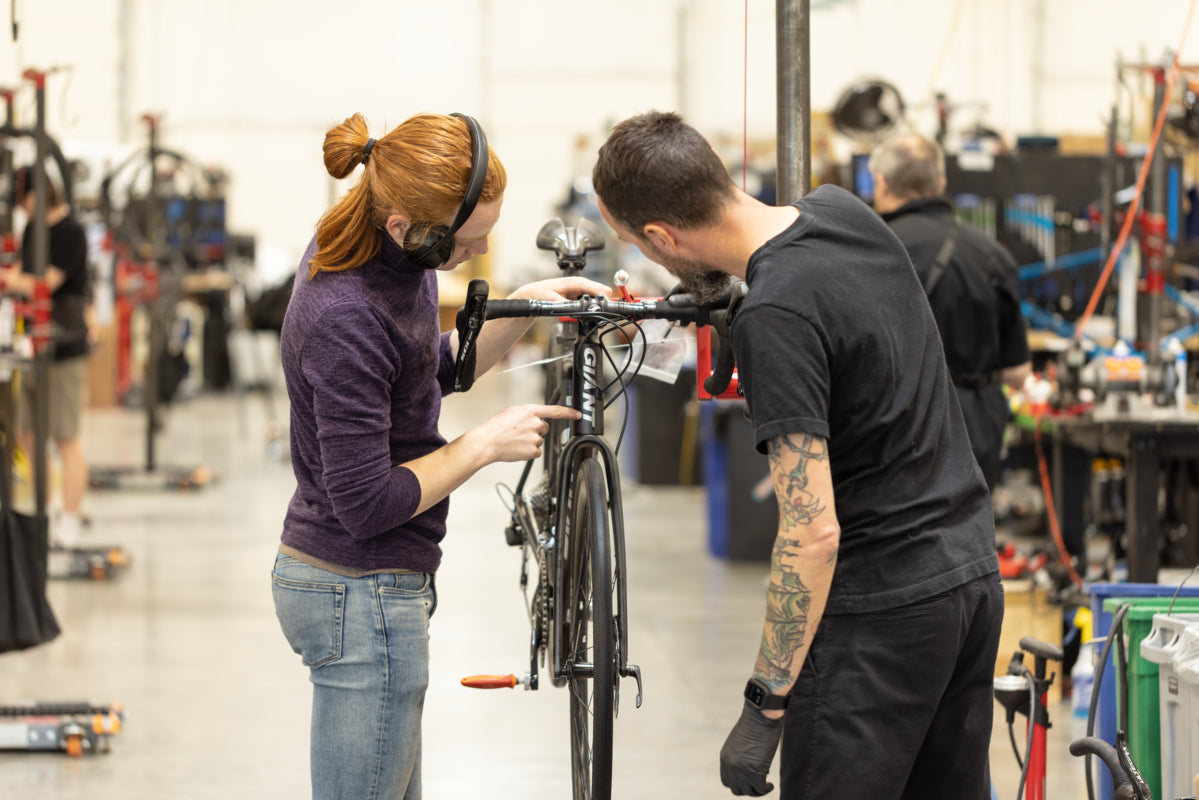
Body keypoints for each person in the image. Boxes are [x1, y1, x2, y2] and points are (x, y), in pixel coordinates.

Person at [591, 111, 1003, 800]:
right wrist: (733, 291)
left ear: (661, 237)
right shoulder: (843, 213)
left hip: (879, 616)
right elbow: (841, 319)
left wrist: (764, 702)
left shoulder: (775, 316)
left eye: (640, 243)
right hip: (965, 575)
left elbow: (811, 533)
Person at [272, 111, 608, 800]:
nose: (475, 253)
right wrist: (480, 445)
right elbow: (366, 503)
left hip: (372, 585)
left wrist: (520, 311)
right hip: (355, 586)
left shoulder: (387, 259)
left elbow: (423, 373)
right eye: (468, 242)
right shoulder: (345, 311)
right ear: (407, 227)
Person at [870, 133, 1031, 489]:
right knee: (969, 539)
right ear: (940, 183)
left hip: (890, 429)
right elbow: (1018, 373)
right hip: (975, 429)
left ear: (881, 183)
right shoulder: (992, 255)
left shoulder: (865, 251)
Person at [2, 165, 92, 548]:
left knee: (65, 438)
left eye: (23, 200)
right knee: (26, 432)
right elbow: (20, 273)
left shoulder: (71, 232)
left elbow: (44, 284)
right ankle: (42, 511)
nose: (22, 209)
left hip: (65, 348)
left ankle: (68, 521)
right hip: (33, 348)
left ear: (39, 194)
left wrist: (8, 278)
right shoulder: (30, 230)